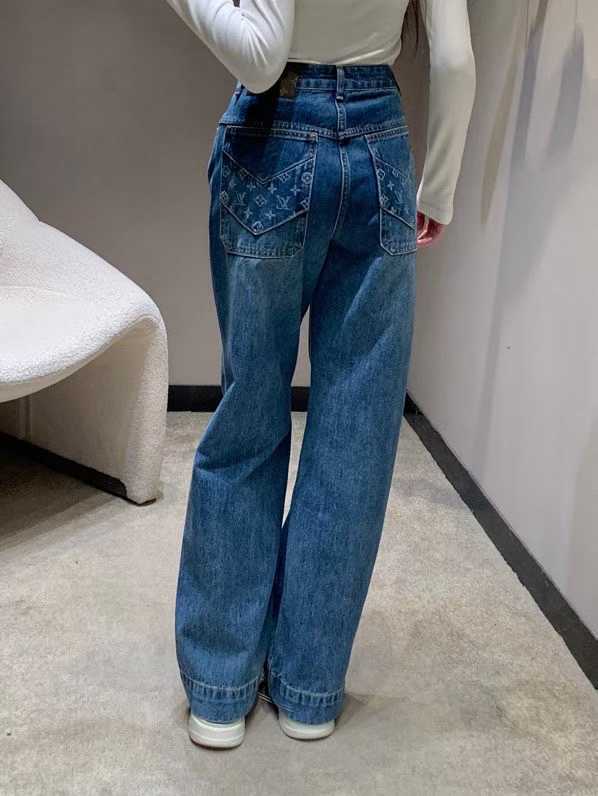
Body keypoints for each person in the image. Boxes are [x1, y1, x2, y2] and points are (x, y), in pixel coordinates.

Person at [165, 0, 476, 748]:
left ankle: (219, 693)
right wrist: (438, 188)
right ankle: (309, 692)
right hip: (381, 147)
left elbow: (261, 58)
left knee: (248, 415)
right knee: (355, 435)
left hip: (273, 139)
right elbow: (454, 61)